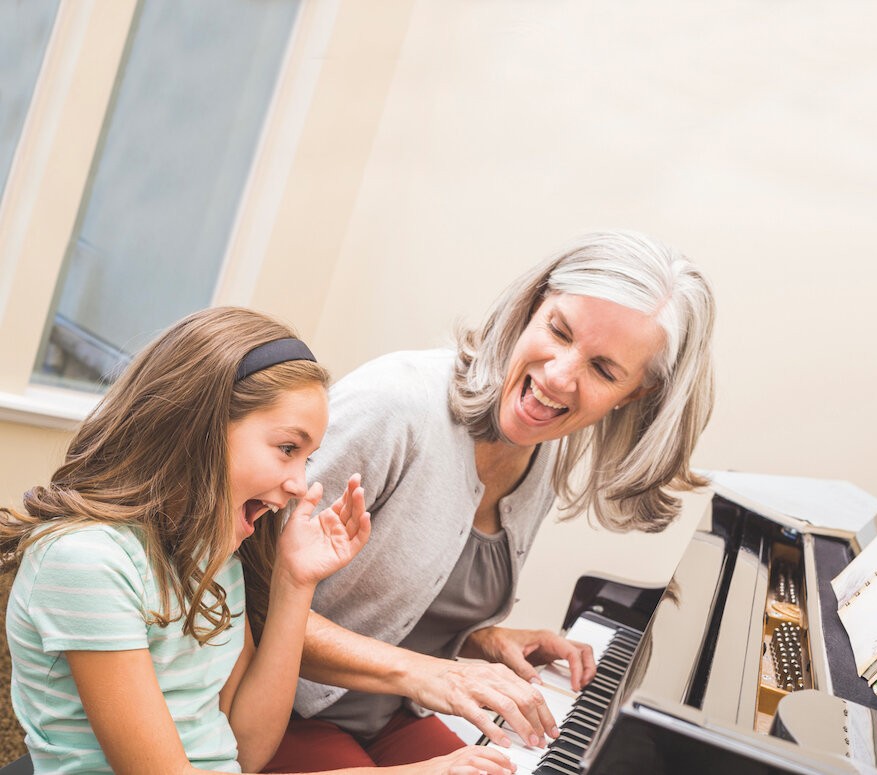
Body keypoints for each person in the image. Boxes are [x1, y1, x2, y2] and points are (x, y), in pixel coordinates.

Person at [240, 230, 717, 772]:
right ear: (531, 308)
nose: (559, 377)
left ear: (635, 394)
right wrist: (430, 674)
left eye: (604, 370)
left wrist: (481, 641)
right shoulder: (396, 405)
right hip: (275, 710)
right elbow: (242, 597)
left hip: (385, 715)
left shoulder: (542, 450)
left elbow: (398, 604)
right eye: (558, 331)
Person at [0, 307, 515, 775]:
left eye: (305, 458)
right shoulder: (85, 562)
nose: (298, 484)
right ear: (198, 427)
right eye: (286, 448)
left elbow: (244, 749)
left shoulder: (215, 555)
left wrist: (295, 582)